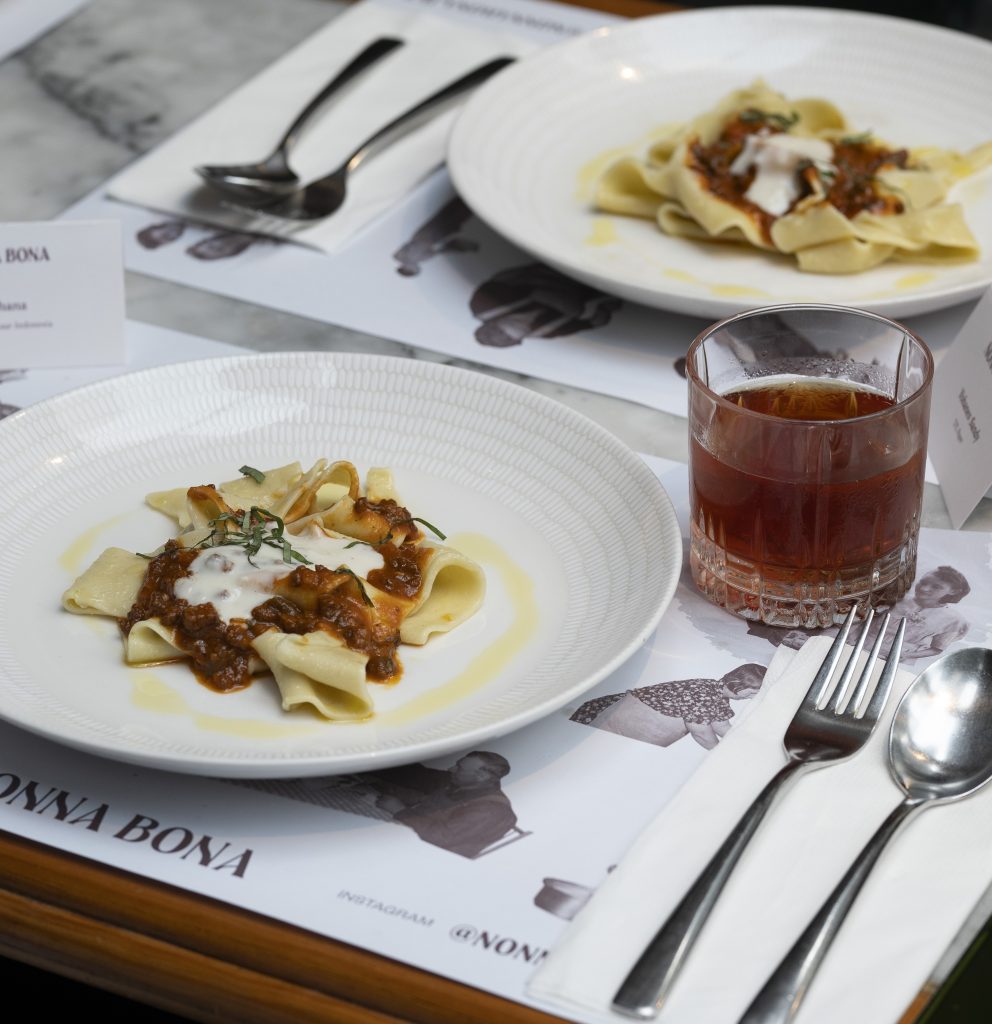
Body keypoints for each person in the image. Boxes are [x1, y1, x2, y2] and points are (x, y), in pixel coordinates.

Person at [571, 664, 766, 750]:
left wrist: (742, 741)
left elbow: (722, 726)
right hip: (614, 721)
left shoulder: (718, 698)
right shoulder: (704, 691)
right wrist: (720, 752)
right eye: (751, 693)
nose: (751, 698)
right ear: (739, 684)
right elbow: (700, 732)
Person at [895, 566, 970, 660]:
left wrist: (907, 655)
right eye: (923, 582)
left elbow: (937, 649)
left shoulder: (953, 620)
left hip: (900, 659)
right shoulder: (898, 599)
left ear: (953, 591)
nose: (924, 589)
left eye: (936, 587)